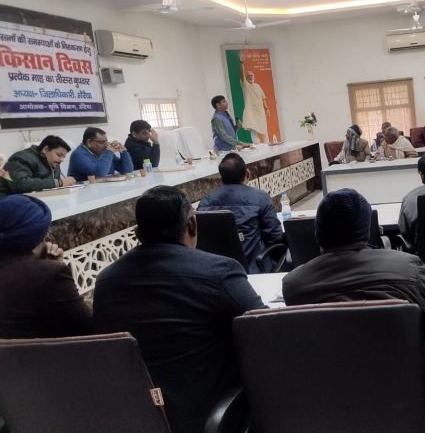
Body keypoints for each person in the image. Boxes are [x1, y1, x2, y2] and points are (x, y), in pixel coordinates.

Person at [93, 186, 265, 433]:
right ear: (192, 224)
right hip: (211, 415)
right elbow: (262, 327)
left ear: (138, 234)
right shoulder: (219, 271)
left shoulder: (106, 281)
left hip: (138, 415)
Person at [282, 188, 425, 351]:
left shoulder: (294, 285)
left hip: (325, 378)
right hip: (403, 377)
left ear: (317, 233)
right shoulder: (408, 268)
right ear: (367, 229)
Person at [0, 195, 92, 338]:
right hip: (36, 352)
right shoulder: (49, 274)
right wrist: (52, 267)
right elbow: (86, 327)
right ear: (35, 238)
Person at [198, 153, 284, 273]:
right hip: (256, 269)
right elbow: (274, 236)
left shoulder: (205, 202)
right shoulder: (260, 198)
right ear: (247, 173)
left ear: (221, 178)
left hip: (219, 271)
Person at [0, 135, 76, 197]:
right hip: (6, 200)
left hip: (32, 200)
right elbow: (21, 184)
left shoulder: (54, 163)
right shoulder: (21, 158)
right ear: (45, 149)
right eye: (59, 155)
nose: (62, 160)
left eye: (63, 157)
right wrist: (58, 183)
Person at [67, 127, 133, 182]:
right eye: (102, 142)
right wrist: (109, 152)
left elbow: (127, 170)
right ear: (89, 142)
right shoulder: (78, 155)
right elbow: (99, 173)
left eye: (106, 141)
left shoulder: (104, 152)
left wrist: (123, 151)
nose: (106, 145)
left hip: (105, 188)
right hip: (85, 191)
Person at [239, 55, 270, 143]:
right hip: (251, 112)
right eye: (248, 75)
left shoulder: (258, 86)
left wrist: (267, 109)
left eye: (251, 75)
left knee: (265, 132)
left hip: (260, 112)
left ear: (254, 76)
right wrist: (241, 63)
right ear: (246, 78)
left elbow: (263, 98)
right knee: (254, 133)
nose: (250, 76)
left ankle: (268, 147)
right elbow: (242, 75)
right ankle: (258, 148)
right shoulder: (245, 85)